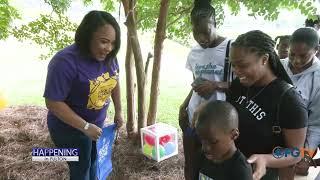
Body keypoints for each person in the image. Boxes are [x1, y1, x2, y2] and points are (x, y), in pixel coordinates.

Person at [43, 10, 123, 180]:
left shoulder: (109, 57)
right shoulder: (64, 62)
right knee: (80, 167)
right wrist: (85, 127)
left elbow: (114, 81)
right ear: (87, 36)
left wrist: (119, 111)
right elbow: (53, 102)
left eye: (113, 43)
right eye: (104, 42)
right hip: (68, 130)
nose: (109, 48)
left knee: (94, 162)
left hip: (96, 127)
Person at [227, 30, 308, 180]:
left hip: (262, 175)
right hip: (233, 169)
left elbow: (297, 152)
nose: (236, 71)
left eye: (242, 65)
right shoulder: (238, 85)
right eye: (233, 65)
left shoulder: (289, 100)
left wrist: (266, 159)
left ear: (264, 59)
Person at [178, 0, 232, 179]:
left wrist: (216, 85)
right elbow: (195, 86)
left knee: (213, 169)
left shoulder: (231, 48)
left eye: (206, 32)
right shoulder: (194, 53)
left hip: (219, 123)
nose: (201, 38)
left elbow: (243, 87)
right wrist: (183, 106)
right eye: (196, 32)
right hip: (193, 119)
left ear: (215, 23)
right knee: (191, 165)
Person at [280, 27, 320, 176]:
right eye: (292, 54)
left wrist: (307, 155)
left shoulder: (318, 79)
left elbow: (316, 125)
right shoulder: (279, 66)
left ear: (316, 49)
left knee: (288, 172)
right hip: (271, 136)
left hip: (297, 142)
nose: (296, 61)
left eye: (303, 56)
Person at [195, 100, 253, 180]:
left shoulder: (241, 169)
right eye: (201, 139)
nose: (205, 148)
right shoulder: (202, 156)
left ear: (234, 135)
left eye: (213, 142)